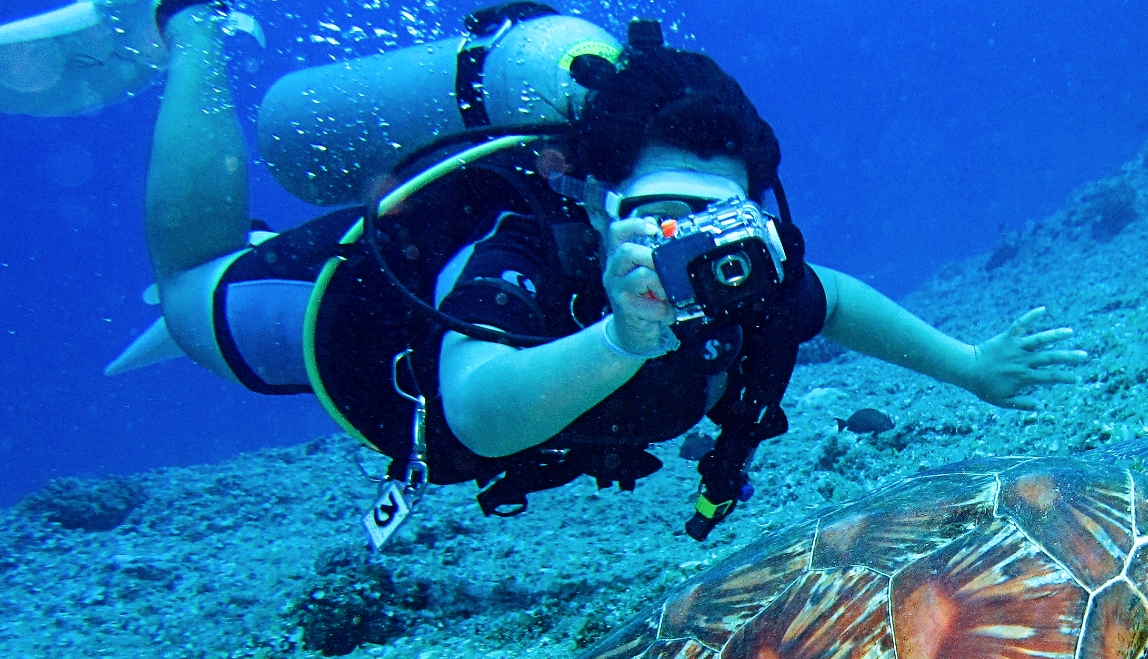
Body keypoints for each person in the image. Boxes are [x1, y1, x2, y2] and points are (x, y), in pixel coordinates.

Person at [133, 1, 1086, 539]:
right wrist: (618, 340)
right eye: (661, 213)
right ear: (589, 198)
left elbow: (830, 300)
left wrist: (970, 366)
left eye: (723, 214)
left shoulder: (735, 273)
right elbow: (476, 409)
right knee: (187, 299)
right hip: (353, 320)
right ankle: (192, 34)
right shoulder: (521, 248)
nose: (692, 242)